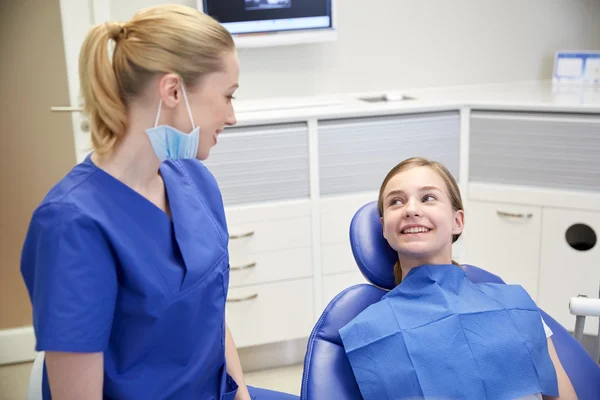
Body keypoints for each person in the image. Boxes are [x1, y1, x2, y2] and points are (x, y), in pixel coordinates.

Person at [20, 5, 298, 400]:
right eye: (227, 96)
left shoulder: (194, 179)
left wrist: (242, 396)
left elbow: (211, 316)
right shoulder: (72, 224)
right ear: (172, 91)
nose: (233, 117)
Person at [339, 157, 577, 400]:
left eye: (428, 197)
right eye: (396, 201)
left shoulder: (515, 306)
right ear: (384, 228)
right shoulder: (369, 334)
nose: (411, 209)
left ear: (457, 221)